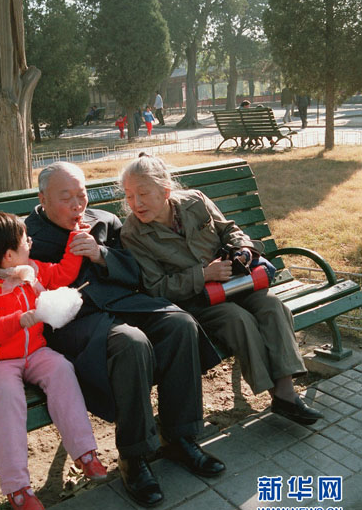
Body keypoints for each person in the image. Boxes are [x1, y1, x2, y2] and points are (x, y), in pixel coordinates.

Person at [25, 162, 225, 509]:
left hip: (123, 304)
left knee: (179, 324)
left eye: (81, 195)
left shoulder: (104, 221)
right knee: (131, 343)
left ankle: (180, 436)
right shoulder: (26, 236)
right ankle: (134, 455)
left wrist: (102, 255)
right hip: (74, 322)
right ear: (43, 199)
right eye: (66, 198)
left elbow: (137, 273)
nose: (77, 205)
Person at [119, 154, 324, 428]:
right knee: (238, 320)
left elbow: (229, 230)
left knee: (272, 306)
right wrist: (203, 274)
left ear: (165, 191)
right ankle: (278, 396)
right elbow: (156, 287)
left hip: (234, 282)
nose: (136, 203)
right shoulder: (133, 233)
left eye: (143, 194)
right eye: (129, 196)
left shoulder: (195, 201)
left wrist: (243, 249)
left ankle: (286, 392)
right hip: (197, 300)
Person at [0, 212, 107, 510]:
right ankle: (17, 487)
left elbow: (64, 274)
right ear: (7, 255)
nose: (30, 242)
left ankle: (85, 452)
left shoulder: (30, 270)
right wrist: (16, 320)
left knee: (62, 370)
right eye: (24, 240)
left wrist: (74, 239)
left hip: (35, 352)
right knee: (8, 398)